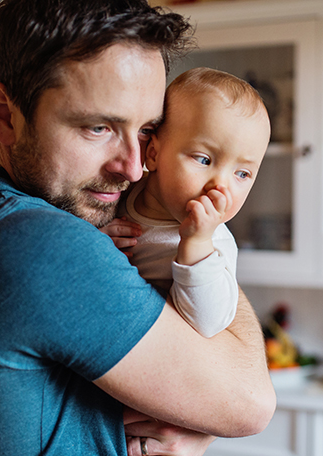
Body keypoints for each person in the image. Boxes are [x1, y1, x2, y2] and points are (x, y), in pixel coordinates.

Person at [0, 1, 276, 456]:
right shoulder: (38, 243)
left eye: (146, 130)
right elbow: (250, 404)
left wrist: (192, 418)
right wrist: (204, 248)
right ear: (5, 115)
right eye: (98, 127)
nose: (132, 166)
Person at [102, 67, 270, 339]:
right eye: (204, 160)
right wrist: (98, 241)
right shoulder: (121, 191)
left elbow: (208, 322)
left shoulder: (214, 245)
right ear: (154, 154)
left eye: (242, 173)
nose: (221, 185)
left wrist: (196, 244)